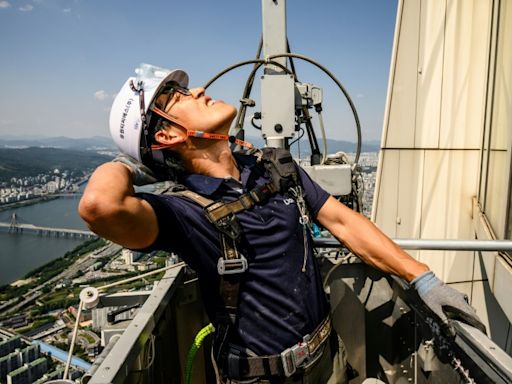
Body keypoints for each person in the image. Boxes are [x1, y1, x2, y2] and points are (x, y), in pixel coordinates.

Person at [79, 64, 485, 383]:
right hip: (260, 378)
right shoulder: (184, 213)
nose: (199, 90)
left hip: (328, 361)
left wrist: (422, 278)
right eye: (178, 96)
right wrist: (127, 163)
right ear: (167, 134)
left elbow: (341, 220)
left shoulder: (273, 169)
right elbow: (99, 206)